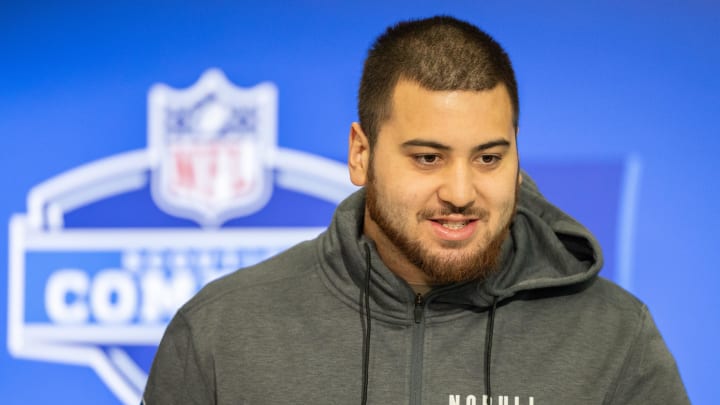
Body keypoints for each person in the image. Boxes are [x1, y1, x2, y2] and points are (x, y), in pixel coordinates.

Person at [143, 15, 689, 404]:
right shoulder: (222, 331)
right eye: (428, 158)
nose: (460, 191)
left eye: (488, 157)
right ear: (361, 153)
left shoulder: (614, 335)